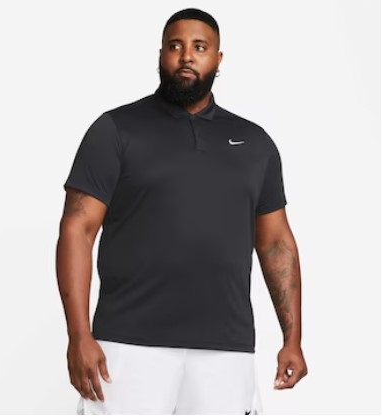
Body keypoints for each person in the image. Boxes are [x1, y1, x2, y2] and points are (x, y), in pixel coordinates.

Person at [56, 8, 308, 415]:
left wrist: (292, 339)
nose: (187, 55)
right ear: (161, 54)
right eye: (175, 46)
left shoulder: (255, 143)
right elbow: (77, 230)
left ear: (218, 59)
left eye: (199, 47)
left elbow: (276, 243)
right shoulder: (116, 129)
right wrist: (78, 335)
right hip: (127, 344)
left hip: (226, 350)